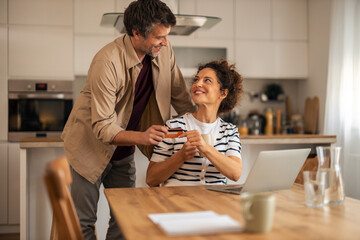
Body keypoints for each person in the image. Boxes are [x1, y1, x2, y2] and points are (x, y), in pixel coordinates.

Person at [61, 0, 195, 239]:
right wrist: (142, 136)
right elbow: (102, 126)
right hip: (88, 147)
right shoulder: (107, 61)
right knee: (84, 222)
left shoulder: (164, 51)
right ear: (136, 32)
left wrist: (203, 125)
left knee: (125, 217)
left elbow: (181, 98)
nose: (165, 42)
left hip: (123, 151)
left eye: (167, 36)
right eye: (159, 37)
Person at [146, 59, 243, 187]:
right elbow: (151, 178)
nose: (198, 84)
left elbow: (235, 173)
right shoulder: (174, 127)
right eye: (196, 80)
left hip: (215, 201)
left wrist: (205, 148)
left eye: (207, 80)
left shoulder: (229, 131)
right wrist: (180, 156)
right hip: (176, 200)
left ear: (223, 93)